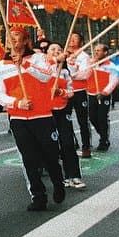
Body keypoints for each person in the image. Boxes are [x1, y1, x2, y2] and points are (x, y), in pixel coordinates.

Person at [0, 26, 65, 212]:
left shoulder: (38, 58)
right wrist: (17, 103)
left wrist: (24, 64)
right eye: (9, 37)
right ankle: (38, 195)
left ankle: (58, 183)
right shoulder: (0, 66)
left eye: (16, 36)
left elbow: (46, 76)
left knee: (50, 154)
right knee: (28, 158)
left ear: (25, 40)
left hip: (42, 115)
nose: (12, 39)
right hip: (18, 118)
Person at [46, 42, 85, 190]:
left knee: (67, 143)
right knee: (51, 146)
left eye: (59, 49)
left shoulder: (65, 72)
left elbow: (71, 92)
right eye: (53, 49)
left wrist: (60, 93)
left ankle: (73, 175)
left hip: (62, 110)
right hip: (46, 112)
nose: (57, 51)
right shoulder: (43, 67)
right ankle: (59, 178)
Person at [65, 32, 93, 158]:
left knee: (83, 121)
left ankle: (86, 146)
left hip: (79, 92)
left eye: (75, 38)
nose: (72, 40)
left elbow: (86, 74)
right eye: (70, 37)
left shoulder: (84, 56)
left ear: (80, 41)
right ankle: (72, 142)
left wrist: (72, 75)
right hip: (66, 92)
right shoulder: (63, 54)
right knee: (65, 120)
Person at [86, 43, 118, 151]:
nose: (96, 52)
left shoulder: (110, 66)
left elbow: (113, 81)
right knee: (92, 117)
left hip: (103, 95)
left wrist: (104, 92)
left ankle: (103, 141)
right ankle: (103, 135)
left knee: (102, 118)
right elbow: (83, 73)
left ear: (105, 52)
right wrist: (91, 64)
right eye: (95, 50)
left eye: (99, 50)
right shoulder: (91, 63)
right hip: (91, 94)